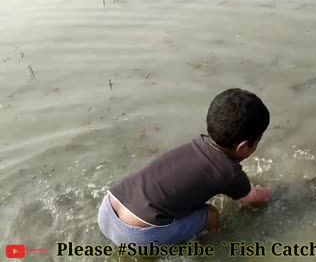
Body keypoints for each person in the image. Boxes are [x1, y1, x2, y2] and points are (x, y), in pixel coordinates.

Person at [97, 88, 272, 246]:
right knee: (210, 214)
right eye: (257, 142)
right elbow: (254, 200)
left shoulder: (197, 143)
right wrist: (274, 191)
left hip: (107, 210)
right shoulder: (230, 173)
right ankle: (209, 253)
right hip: (138, 237)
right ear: (242, 147)